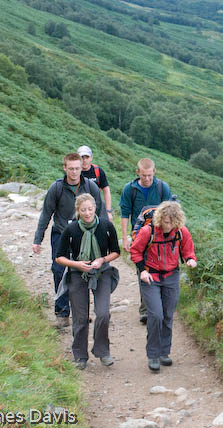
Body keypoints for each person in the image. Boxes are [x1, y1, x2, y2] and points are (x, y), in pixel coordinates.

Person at [33, 153, 108, 328]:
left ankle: (81, 313)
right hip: (61, 234)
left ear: (82, 168)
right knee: (59, 271)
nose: (74, 172)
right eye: (71, 168)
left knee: (84, 273)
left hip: (85, 235)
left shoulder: (90, 187)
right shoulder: (56, 188)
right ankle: (62, 313)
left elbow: (100, 212)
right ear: (65, 168)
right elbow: (46, 214)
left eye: (77, 168)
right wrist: (38, 239)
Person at [55, 194, 120, 369]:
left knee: (103, 313)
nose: (87, 213)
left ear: (95, 208)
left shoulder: (106, 226)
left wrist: (102, 260)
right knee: (80, 317)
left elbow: (116, 251)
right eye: (83, 210)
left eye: (90, 209)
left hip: (102, 273)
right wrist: (76, 264)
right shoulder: (71, 229)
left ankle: (103, 351)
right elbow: (59, 257)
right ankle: (80, 355)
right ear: (78, 210)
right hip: (78, 274)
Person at [130, 201, 196, 372]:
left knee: (167, 315)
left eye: (172, 222)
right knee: (156, 315)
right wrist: (142, 271)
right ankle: (153, 355)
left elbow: (188, 249)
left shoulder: (181, 231)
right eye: (166, 222)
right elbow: (135, 251)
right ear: (160, 219)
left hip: (171, 276)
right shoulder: (148, 231)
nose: (168, 226)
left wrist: (190, 259)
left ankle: (164, 352)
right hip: (150, 276)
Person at [120, 158, 173, 323]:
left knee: (162, 270)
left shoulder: (162, 188)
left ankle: (159, 306)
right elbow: (125, 214)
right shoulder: (130, 189)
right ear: (138, 173)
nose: (147, 179)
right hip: (140, 237)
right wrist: (125, 237)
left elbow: (171, 212)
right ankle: (146, 310)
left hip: (161, 237)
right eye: (144, 175)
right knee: (143, 270)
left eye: (150, 175)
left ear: (154, 172)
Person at [77, 145, 114, 222]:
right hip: (80, 208)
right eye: (82, 157)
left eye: (87, 157)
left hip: (97, 206)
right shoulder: (75, 172)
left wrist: (108, 211)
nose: (84, 160)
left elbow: (106, 191)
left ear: (91, 158)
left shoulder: (98, 171)